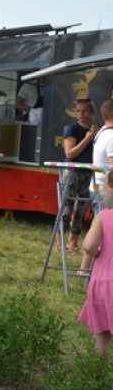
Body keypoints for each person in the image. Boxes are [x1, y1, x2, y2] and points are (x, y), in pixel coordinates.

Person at [80, 170, 113, 353]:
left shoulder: (103, 217)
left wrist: (99, 252)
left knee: (102, 338)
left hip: (102, 284)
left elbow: (88, 245)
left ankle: (98, 370)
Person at [60, 100, 98, 254]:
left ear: (92, 113)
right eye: (78, 111)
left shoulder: (97, 130)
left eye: (85, 111)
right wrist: (87, 139)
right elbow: (70, 154)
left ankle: (73, 242)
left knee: (81, 209)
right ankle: (59, 242)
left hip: (89, 173)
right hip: (72, 171)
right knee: (66, 206)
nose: (81, 114)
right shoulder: (72, 129)